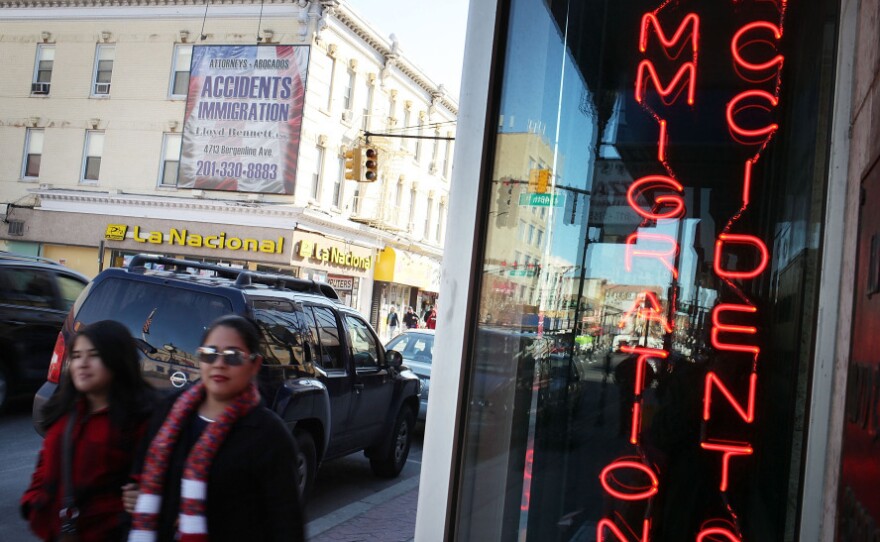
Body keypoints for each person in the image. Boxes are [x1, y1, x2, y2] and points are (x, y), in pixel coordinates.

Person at [126, 314, 305, 542]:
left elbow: (286, 524)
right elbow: (140, 484)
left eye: (232, 356)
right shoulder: (169, 413)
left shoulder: (269, 435)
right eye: (210, 354)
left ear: (254, 365)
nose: (219, 364)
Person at [21, 320, 154, 542]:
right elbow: (45, 462)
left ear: (116, 360)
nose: (82, 363)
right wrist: (33, 501)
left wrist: (144, 498)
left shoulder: (139, 420)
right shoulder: (64, 409)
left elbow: (152, 479)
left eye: (93, 355)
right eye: (77, 355)